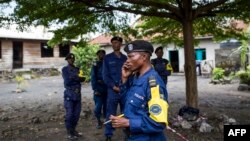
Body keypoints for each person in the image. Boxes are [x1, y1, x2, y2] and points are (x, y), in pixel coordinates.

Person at [109, 40, 169, 141]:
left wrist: (128, 122)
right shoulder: (135, 77)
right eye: (127, 56)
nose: (127, 60)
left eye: (131, 56)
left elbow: (159, 123)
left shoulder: (153, 83)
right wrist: (124, 79)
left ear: (144, 57)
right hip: (132, 136)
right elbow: (128, 103)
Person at [102, 36, 127, 141]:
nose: (114, 45)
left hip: (124, 90)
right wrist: (113, 86)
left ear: (120, 44)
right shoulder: (107, 58)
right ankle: (108, 135)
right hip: (112, 90)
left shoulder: (125, 58)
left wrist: (125, 87)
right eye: (113, 43)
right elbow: (105, 75)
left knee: (126, 112)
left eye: (116, 42)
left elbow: (129, 74)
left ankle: (128, 133)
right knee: (110, 113)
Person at [62, 53, 85, 140]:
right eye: (69, 59)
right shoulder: (65, 69)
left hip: (77, 95)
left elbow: (83, 79)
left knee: (76, 114)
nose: (71, 60)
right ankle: (69, 133)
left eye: (73, 59)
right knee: (69, 114)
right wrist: (77, 78)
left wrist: (75, 78)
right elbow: (67, 81)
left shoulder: (77, 69)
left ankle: (73, 130)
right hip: (69, 94)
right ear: (67, 60)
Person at [90, 49, 107, 129]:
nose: (101, 55)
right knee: (98, 107)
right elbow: (93, 77)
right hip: (98, 89)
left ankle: (106, 121)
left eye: (102, 54)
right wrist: (95, 89)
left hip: (107, 89)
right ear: (97, 55)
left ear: (104, 55)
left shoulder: (108, 64)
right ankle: (99, 121)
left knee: (107, 107)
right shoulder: (95, 64)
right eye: (99, 54)